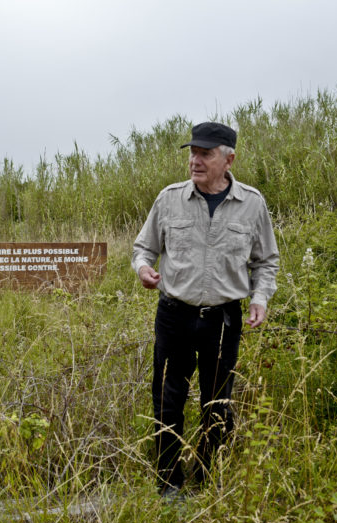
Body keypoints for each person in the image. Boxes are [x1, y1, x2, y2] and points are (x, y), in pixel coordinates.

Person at [131, 122, 279, 496]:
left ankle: (204, 478)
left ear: (229, 159)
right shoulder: (168, 199)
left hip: (224, 319)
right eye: (192, 152)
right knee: (167, 400)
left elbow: (266, 261)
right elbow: (143, 248)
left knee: (217, 403)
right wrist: (143, 268)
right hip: (174, 315)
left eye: (205, 154)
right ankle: (168, 482)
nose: (195, 161)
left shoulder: (252, 204)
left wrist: (260, 298)